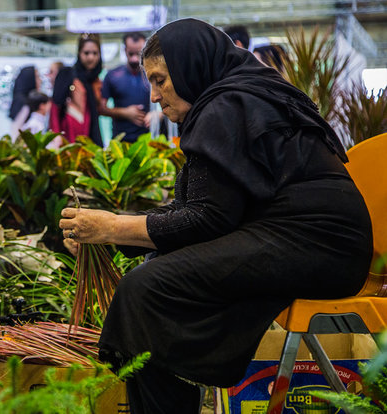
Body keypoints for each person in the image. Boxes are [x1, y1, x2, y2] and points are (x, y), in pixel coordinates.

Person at [59, 19, 372, 413]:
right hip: (317, 244)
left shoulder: (225, 105)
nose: (154, 96)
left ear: (190, 67)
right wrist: (107, 233)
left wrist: (112, 227)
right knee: (154, 277)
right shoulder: (236, 98)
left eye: (160, 80)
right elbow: (208, 211)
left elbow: (207, 220)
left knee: (146, 290)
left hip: (320, 246)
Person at [49, 33, 103, 146]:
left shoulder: (96, 80)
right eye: (86, 53)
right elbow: (55, 107)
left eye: (95, 53)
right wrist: (56, 135)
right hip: (68, 137)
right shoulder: (67, 74)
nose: (91, 57)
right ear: (79, 53)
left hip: (88, 138)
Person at [99, 32, 153, 143]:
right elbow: (101, 108)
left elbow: (169, 102)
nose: (134, 59)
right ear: (125, 50)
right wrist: (125, 113)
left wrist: (157, 115)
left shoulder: (151, 75)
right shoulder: (112, 76)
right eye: (131, 53)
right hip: (121, 140)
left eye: (138, 54)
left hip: (147, 140)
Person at [9, 65, 41, 139]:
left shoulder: (26, 100)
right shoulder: (24, 102)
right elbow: (16, 130)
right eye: (37, 77)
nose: (40, 80)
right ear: (30, 79)